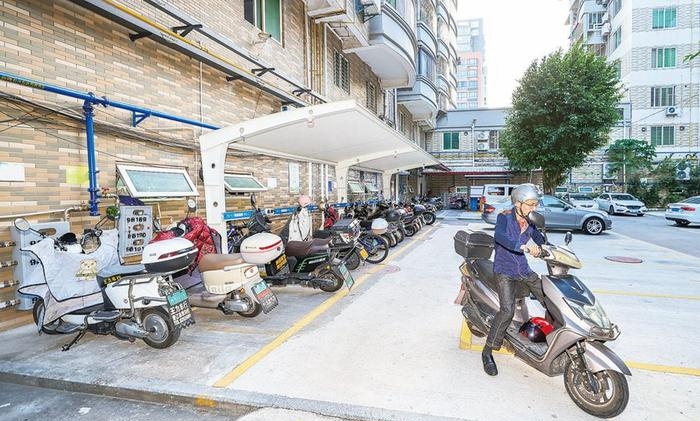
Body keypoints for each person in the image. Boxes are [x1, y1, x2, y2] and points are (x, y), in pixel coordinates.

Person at [482, 183, 546, 376]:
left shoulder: (530, 220)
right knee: (507, 311)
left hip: (523, 269)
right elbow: (500, 236)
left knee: (548, 298)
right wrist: (522, 246)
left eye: (536, 204)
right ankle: (487, 351)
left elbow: (540, 238)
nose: (534, 208)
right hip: (505, 270)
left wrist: (545, 245)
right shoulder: (504, 217)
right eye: (531, 204)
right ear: (518, 203)